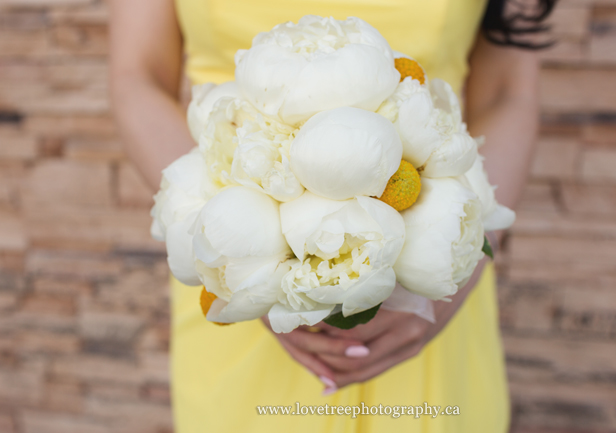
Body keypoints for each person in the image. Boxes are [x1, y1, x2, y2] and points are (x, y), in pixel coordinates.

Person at [109, 1, 554, 431]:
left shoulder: (439, 284)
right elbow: (138, 77)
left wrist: (454, 275)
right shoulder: (241, 267)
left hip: (427, 291)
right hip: (242, 278)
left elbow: (507, 92)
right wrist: (248, 268)